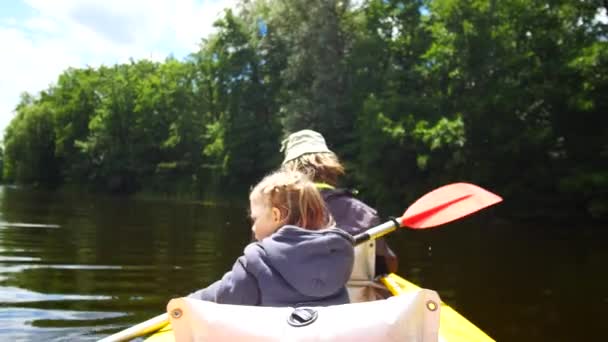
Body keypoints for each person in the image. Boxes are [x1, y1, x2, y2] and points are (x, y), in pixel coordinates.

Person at [189, 170, 354, 307]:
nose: (253, 228)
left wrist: (189, 302)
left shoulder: (256, 263)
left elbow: (223, 299)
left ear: (276, 215)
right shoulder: (336, 261)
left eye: (255, 219)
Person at [281, 129, 398, 275]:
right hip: (354, 295)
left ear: (287, 173)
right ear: (331, 166)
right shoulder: (363, 213)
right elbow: (387, 266)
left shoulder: (273, 215)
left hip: (292, 295)